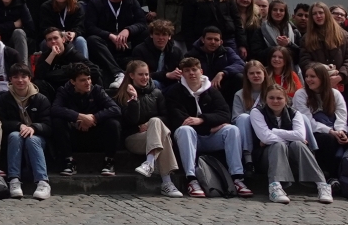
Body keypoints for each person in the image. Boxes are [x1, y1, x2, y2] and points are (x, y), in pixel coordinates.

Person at [163, 56, 252, 199]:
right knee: (185, 130)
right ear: (183, 74)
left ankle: (237, 177)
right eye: (187, 70)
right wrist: (209, 128)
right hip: (190, 138)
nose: (191, 73)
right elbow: (180, 120)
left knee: (232, 130)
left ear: (201, 71)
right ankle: (191, 179)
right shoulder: (174, 92)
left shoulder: (212, 91)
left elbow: (224, 114)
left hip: (210, 137)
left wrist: (202, 120)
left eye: (194, 70)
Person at [250, 84, 334, 203]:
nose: (275, 101)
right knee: (279, 145)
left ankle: (322, 185)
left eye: (279, 98)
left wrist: (274, 131)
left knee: (298, 144)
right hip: (266, 157)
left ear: (286, 99)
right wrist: (289, 138)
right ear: (265, 98)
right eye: (271, 98)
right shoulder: (257, 112)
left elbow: (300, 136)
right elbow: (265, 136)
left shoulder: (295, 113)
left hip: (292, 155)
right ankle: (275, 187)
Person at [115, 58, 181, 197]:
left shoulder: (157, 93)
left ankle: (150, 163)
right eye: (141, 74)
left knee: (156, 122)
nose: (145, 77)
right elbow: (128, 122)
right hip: (134, 138)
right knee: (162, 134)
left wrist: (149, 125)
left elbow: (166, 117)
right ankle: (167, 182)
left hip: (154, 135)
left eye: (146, 74)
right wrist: (134, 99)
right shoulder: (121, 95)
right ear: (132, 75)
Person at [49, 67, 122, 177]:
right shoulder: (64, 91)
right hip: (74, 134)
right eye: (83, 80)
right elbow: (55, 109)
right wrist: (79, 117)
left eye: (89, 79)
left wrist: (94, 118)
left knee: (113, 123)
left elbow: (115, 109)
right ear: (73, 82)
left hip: (95, 133)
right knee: (57, 121)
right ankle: (69, 162)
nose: (87, 83)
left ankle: (109, 162)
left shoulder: (97, 90)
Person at [0, 64, 52, 199]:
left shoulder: (41, 99)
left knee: (32, 139)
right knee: (15, 136)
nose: (20, 80)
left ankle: (43, 182)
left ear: (30, 79)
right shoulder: (4, 99)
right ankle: (14, 179)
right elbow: (1, 122)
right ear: (10, 79)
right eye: (16, 77)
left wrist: (34, 127)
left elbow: (49, 125)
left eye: (24, 77)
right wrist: (19, 125)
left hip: (37, 139)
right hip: (14, 139)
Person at [302, 2, 348, 87]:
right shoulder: (306, 38)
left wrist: (340, 76)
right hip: (318, 84)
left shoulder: (343, 35)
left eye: (321, 12)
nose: (318, 16)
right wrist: (320, 69)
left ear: (327, 14)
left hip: (343, 83)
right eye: (314, 14)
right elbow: (305, 61)